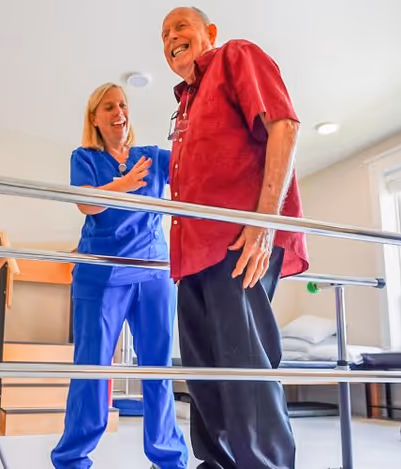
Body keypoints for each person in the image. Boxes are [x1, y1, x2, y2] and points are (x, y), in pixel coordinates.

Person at [160, 7, 309, 469]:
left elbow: (284, 125)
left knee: (245, 377)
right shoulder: (185, 105)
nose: (171, 38)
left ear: (210, 33)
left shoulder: (235, 56)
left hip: (238, 245)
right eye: (164, 34)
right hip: (194, 256)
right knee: (204, 378)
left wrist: (264, 225)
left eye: (181, 26)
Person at [50, 82, 189, 469]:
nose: (118, 113)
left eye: (123, 105)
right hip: (101, 274)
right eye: (108, 107)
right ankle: (73, 458)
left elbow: (191, 165)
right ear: (94, 118)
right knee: (92, 369)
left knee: (157, 368)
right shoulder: (86, 157)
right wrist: (124, 186)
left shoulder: (151, 156)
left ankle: (168, 458)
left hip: (151, 272)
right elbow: (86, 203)